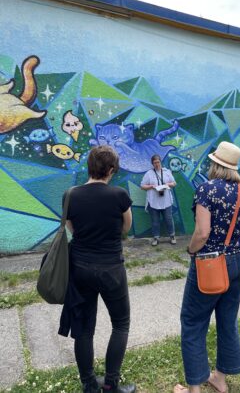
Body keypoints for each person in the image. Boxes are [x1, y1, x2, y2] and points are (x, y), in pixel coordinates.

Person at [174, 141, 240, 393]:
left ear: (215, 163)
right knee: (227, 320)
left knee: (192, 322)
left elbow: (202, 233)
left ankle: (194, 389)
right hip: (238, 263)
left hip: (210, 264)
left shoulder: (206, 190)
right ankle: (220, 380)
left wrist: (191, 250)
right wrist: (231, 241)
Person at [59, 146, 136, 393]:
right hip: (111, 268)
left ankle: (89, 385)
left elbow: (72, 228)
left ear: (90, 166)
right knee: (121, 323)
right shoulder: (119, 195)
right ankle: (111, 384)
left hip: (79, 268)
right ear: (111, 169)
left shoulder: (70, 194)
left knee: (83, 327)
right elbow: (126, 228)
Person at [141, 154, 177, 246]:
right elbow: (142, 186)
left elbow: (174, 183)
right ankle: (156, 238)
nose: (157, 164)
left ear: (161, 162)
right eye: (154, 163)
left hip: (166, 201)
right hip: (153, 202)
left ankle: (172, 236)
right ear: (152, 164)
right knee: (155, 221)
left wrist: (167, 185)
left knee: (168, 219)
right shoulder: (149, 173)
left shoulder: (167, 171)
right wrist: (151, 186)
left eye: (158, 162)